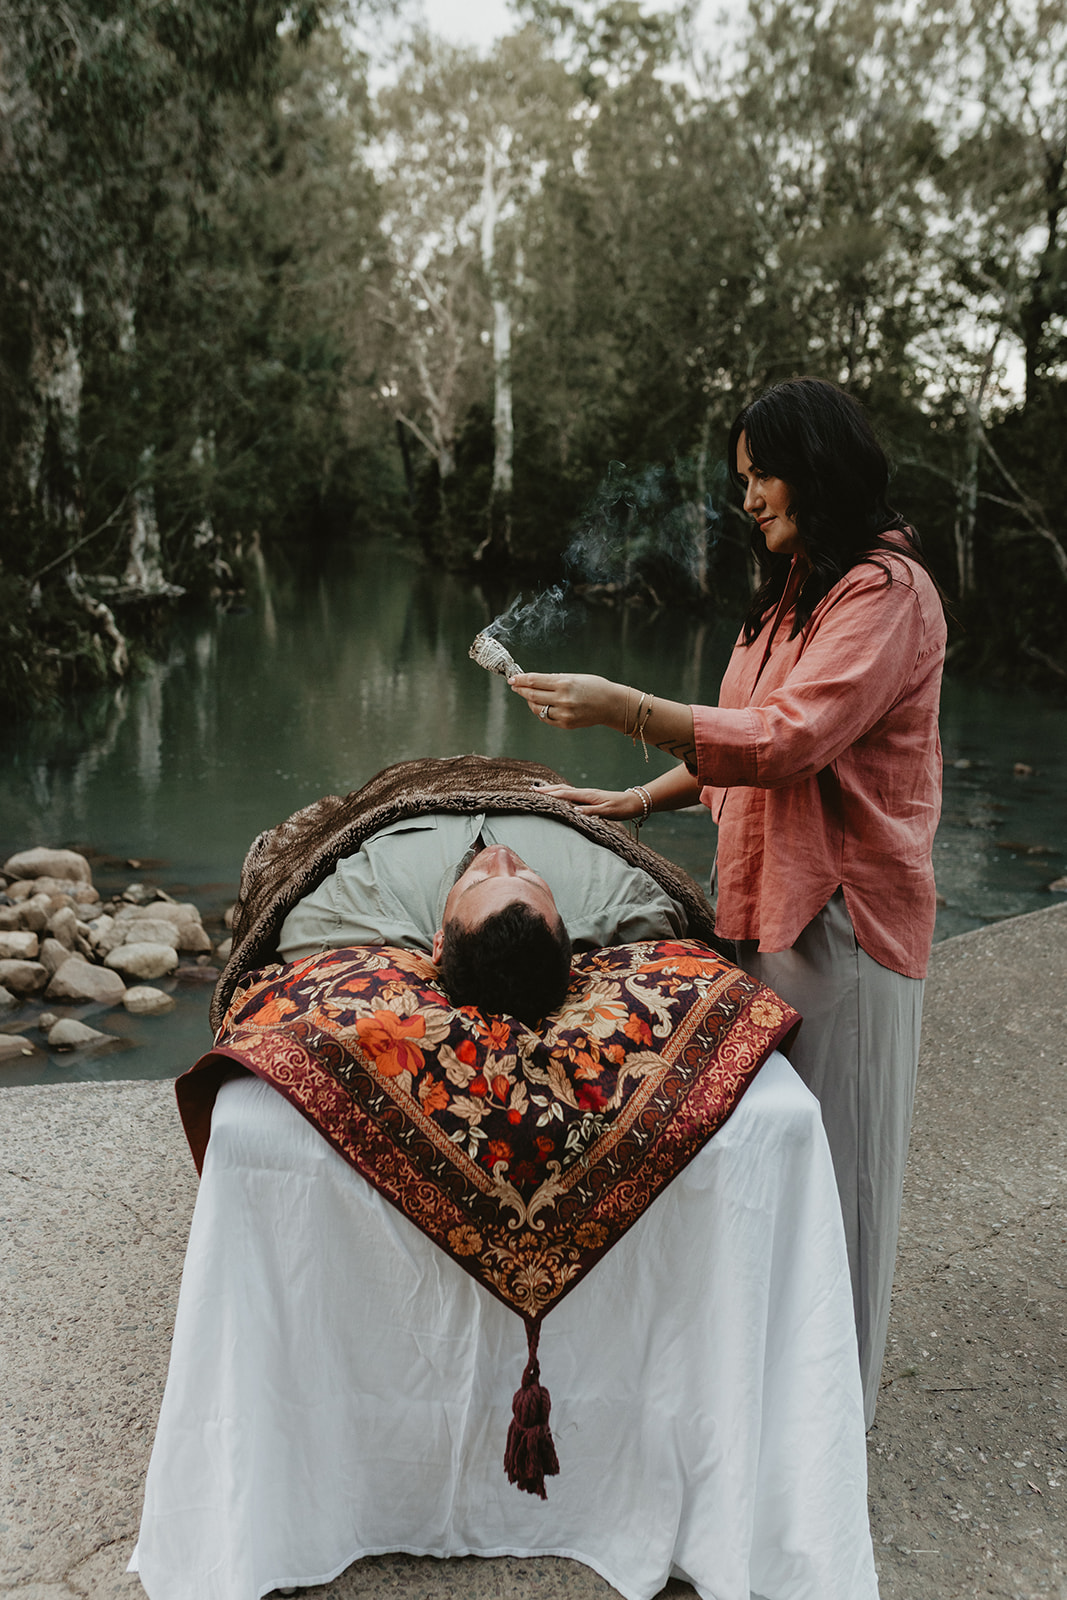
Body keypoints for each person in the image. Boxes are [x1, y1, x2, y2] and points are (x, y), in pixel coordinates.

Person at [509, 377, 947, 1426]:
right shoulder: (793, 589)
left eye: (761, 473)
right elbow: (742, 731)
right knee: (759, 1177)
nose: (745, 495)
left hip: (841, 927)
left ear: (818, 463)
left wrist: (624, 709)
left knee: (833, 1197)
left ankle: (827, 1449)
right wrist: (644, 795)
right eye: (738, 479)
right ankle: (762, 1427)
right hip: (757, 918)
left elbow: (792, 736)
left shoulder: (884, 593)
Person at [213, 753, 718, 1037]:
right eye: (530, 877)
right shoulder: (623, 905)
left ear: (436, 944)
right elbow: (674, 914)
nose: (502, 858)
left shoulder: (347, 916)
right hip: (524, 781)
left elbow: (283, 902)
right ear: (568, 930)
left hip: (407, 789)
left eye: (479, 883)